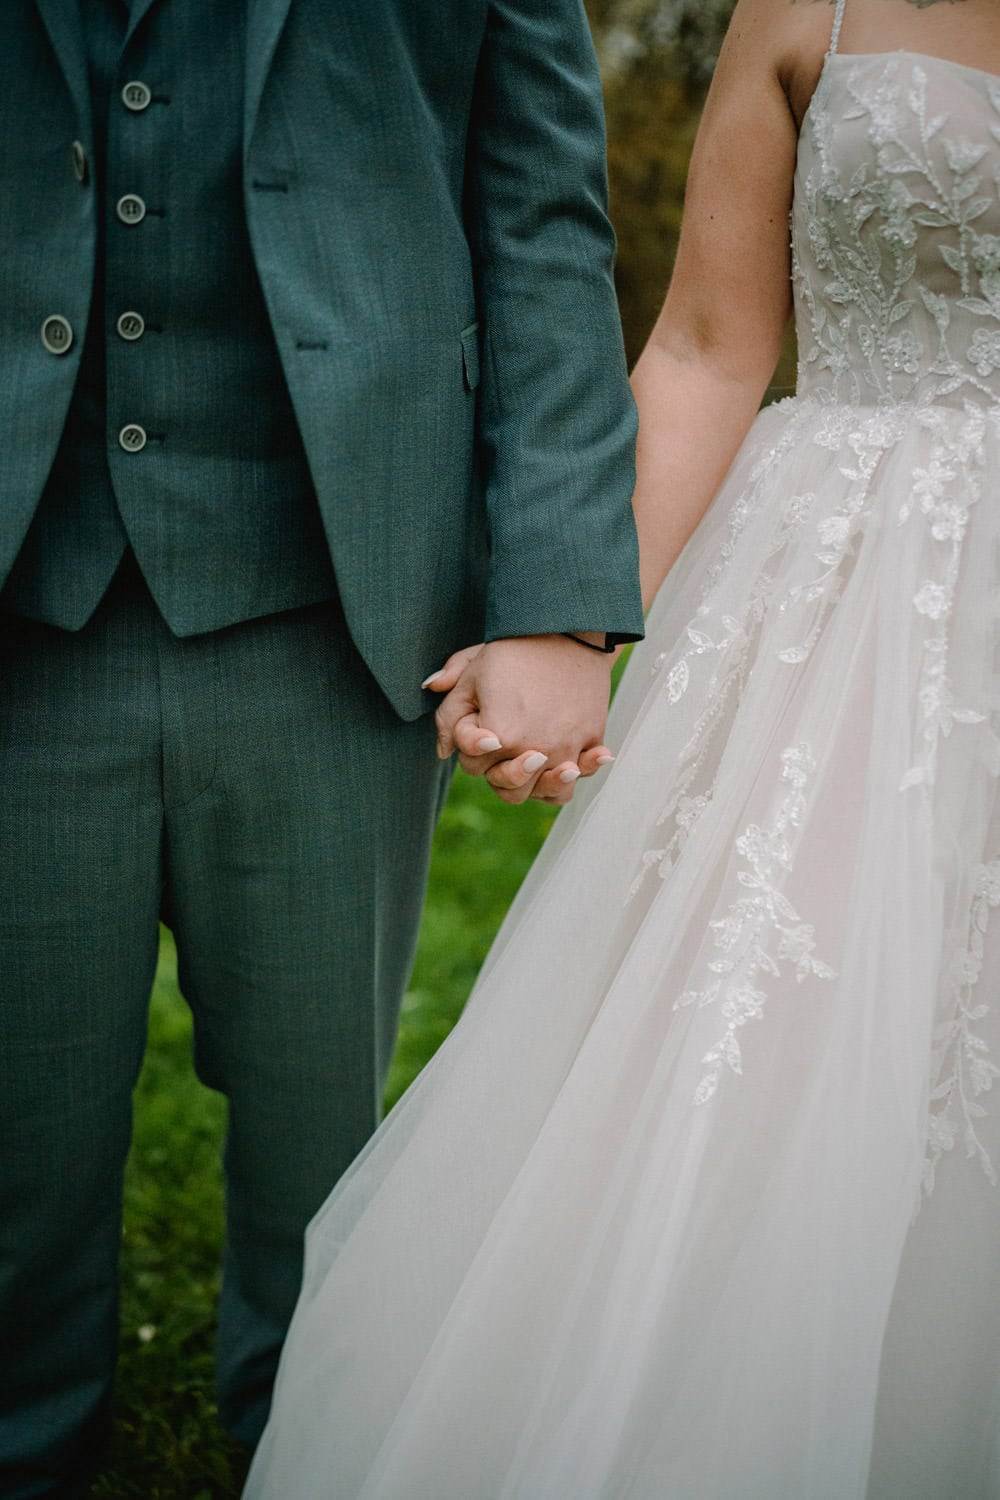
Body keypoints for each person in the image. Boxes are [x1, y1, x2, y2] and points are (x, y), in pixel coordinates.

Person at [244, 0, 1000, 1494]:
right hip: (855, 614)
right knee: (791, 1021)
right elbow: (711, 348)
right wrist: (571, 627)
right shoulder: (813, 8)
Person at [0, 2, 644, 1494]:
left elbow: (544, 221)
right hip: (26, 597)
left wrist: (557, 599)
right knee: (15, 1143)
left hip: (336, 598)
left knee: (321, 1145)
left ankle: (309, 1443)